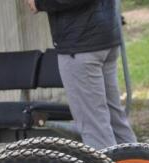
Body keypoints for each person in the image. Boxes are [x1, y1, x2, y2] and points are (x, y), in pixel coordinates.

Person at [26, 0, 137, 149]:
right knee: (115, 121)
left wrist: (39, 3)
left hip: (81, 44)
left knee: (95, 128)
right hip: (104, 36)